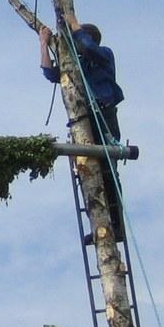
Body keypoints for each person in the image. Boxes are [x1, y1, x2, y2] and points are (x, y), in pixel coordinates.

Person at [39, 14, 126, 241]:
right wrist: (43, 43)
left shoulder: (103, 54)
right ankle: (99, 224)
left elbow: (88, 48)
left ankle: (116, 225)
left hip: (104, 114)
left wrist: (74, 24)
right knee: (87, 173)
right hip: (84, 118)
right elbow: (51, 73)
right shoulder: (77, 66)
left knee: (108, 171)